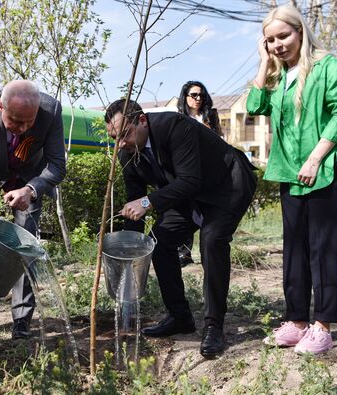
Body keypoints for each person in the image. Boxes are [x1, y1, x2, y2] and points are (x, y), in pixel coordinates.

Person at [105, 99, 256, 358]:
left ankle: (214, 327)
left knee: (212, 240)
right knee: (159, 243)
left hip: (226, 186)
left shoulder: (174, 126)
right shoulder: (127, 154)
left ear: (142, 121)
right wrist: (128, 251)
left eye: (125, 134)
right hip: (188, 196)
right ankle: (180, 317)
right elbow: (135, 201)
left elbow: (189, 180)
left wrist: (147, 202)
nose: (121, 143)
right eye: (114, 138)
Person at [247, 4, 337, 355]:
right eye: (270, 40)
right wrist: (264, 64)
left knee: (322, 249)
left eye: (284, 36)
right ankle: (296, 322)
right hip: (290, 172)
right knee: (294, 250)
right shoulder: (280, 76)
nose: (278, 44)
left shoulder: (329, 67)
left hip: (326, 168)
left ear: (301, 32)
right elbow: (255, 106)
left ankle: (322, 328)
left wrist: (315, 157)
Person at [0, 80, 66, 337]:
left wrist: (31, 190)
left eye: (30, 122)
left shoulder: (51, 110)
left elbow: (57, 165)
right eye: (16, 121)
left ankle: (21, 319)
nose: (24, 129)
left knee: (26, 243)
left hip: (29, 178)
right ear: (0, 106)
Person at [176, 80, 223, 267]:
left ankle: (208, 253)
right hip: (188, 169)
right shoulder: (179, 118)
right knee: (187, 210)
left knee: (207, 214)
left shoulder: (210, 115)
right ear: (185, 97)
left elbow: (219, 139)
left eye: (201, 95)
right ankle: (184, 252)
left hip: (209, 170)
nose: (198, 98)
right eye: (194, 95)